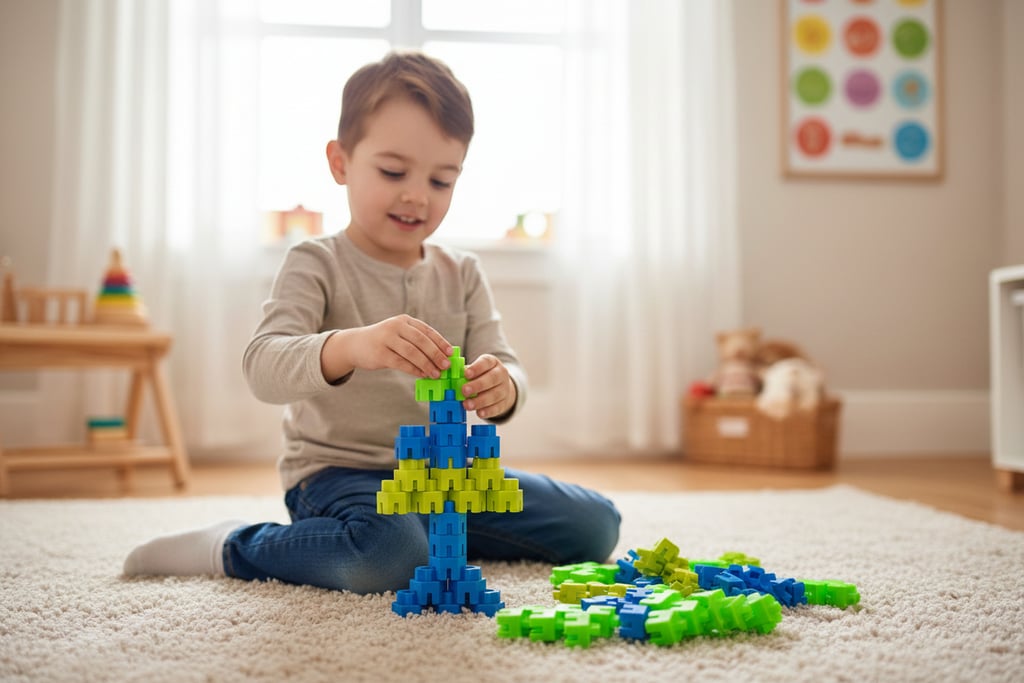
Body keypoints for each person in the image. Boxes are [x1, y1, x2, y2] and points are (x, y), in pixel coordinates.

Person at [123, 51, 621, 594]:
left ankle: (430, 537)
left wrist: (502, 388)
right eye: (392, 171)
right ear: (340, 163)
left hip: (445, 477)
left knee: (596, 524)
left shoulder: (463, 272)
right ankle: (234, 546)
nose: (416, 195)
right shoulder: (317, 262)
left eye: (442, 180)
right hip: (340, 475)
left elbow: (507, 365)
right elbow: (262, 366)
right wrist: (353, 347)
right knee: (387, 559)